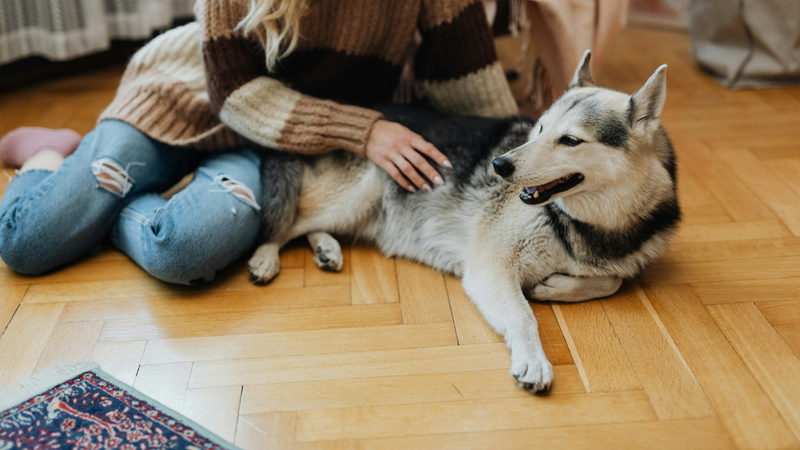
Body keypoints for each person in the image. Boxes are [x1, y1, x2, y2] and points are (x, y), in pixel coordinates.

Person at [0, 0, 518, 285]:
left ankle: (106, 205)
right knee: (27, 243)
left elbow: (469, 79)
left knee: (181, 251)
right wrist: (364, 130)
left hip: (276, 142)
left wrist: (518, 161)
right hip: (180, 101)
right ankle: (48, 152)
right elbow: (234, 94)